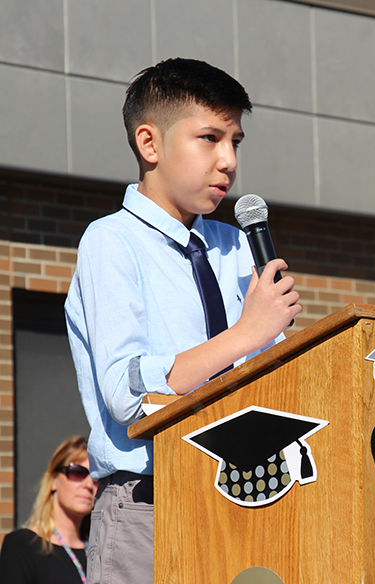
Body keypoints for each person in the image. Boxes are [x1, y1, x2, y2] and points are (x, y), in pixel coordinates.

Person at [64, 58, 301, 583]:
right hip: (149, 507)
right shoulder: (111, 242)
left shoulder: (235, 245)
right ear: (150, 144)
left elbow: (274, 372)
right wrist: (244, 334)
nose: (228, 161)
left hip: (244, 497)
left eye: (235, 141)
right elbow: (127, 394)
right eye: (210, 138)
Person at [0, 435, 98, 584]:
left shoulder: (99, 551)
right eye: (77, 472)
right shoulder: (21, 545)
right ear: (53, 480)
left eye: (96, 478)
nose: (89, 485)